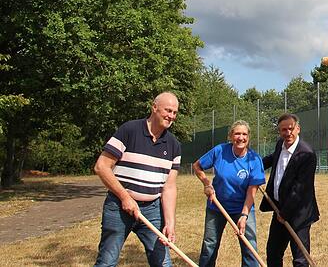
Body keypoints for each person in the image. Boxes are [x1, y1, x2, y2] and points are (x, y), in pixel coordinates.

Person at [93, 92, 181, 267]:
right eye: (168, 110)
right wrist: (125, 197)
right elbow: (101, 166)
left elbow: (169, 187)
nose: (171, 116)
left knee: (163, 263)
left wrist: (170, 223)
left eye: (175, 112)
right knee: (107, 262)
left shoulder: (174, 145)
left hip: (152, 210)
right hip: (118, 207)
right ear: (154, 107)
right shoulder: (129, 130)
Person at [193, 120, 266, 267]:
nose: (241, 137)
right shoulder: (220, 151)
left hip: (242, 208)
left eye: (244, 134)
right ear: (231, 136)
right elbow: (197, 166)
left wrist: (244, 215)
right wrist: (207, 184)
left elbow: (252, 191)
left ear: (248, 137)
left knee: (250, 246)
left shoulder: (255, 160)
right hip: (216, 207)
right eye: (237, 133)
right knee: (210, 244)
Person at [260, 113, 319, 267]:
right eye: (283, 130)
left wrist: (285, 213)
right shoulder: (280, 144)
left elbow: (300, 188)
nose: (288, 133)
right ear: (279, 131)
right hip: (279, 209)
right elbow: (272, 158)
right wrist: (253, 165)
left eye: (291, 129)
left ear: (298, 129)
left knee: (300, 259)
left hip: (299, 213)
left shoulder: (307, 154)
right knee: (273, 253)